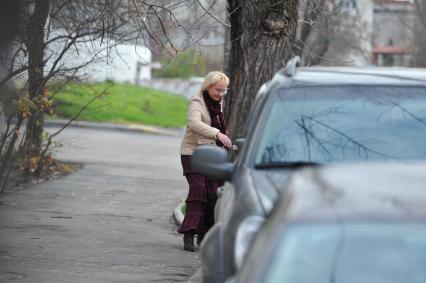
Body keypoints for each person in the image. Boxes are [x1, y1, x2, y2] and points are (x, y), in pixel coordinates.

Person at [178, 71, 232, 252]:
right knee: (198, 188)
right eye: (218, 90)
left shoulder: (217, 104)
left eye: (224, 91)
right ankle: (189, 233)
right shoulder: (197, 102)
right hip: (192, 153)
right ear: (208, 86)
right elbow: (193, 123)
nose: (221, 94)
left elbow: (218, 128)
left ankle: (204, 236)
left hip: (210, 155)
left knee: (213, 193)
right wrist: (217, 134)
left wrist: (224, 141)